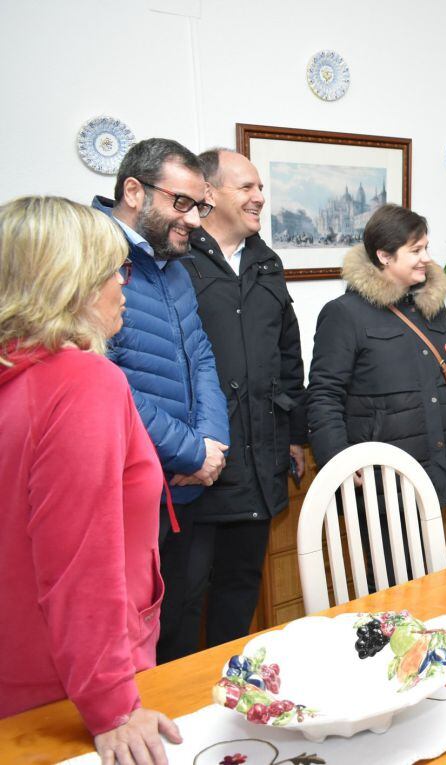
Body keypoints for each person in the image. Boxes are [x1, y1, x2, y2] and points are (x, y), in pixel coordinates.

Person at [0, 197, 183, 762]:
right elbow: (81, 560)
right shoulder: (82, 381)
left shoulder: (17, 374)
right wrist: (113, 706)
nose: (122, 287)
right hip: (75, 690)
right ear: (71, 284)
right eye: (113, 271)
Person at [91, 137, 230, 664]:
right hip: (132, 488)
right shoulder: (91, 255)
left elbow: (202, 357)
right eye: (182, 203)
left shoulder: (173, 264)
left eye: (201, 207)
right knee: (125, 641)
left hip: (187, 489)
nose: (194, 219)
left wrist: (211, 445)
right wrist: (189, 453)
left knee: (177, 627)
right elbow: (106, 380)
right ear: (134, 190)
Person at [172, 149, 307, 658]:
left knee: (240, 589)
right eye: (246, 187)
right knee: (183, 598)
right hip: (199, 469)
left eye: (260, 187)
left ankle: (230, 694)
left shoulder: (266, 264)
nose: (259, 197)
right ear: (210, 194)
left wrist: (294, 433)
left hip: (260, 460)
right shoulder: (178, 263)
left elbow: (288, 355)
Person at [307, 203, 446, 513]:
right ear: (384, 255)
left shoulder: (430, 309)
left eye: (426, 248)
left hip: (437, 473)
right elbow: (324, 394)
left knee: (440, 563)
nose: (426, 258)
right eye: (416, 250)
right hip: (380, 484)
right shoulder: (344, 314)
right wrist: (336, 459)